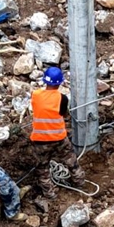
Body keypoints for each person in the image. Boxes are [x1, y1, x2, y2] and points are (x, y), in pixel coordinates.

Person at [29, 67, 85, 200]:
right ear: (60, 83)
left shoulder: (36, 95)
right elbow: (64, 114)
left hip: (40, 140)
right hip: (59, 138)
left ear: (45, 81)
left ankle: (50, 194)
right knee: (71, 161)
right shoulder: (62, 98)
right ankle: (79, 182)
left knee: (42, 168)